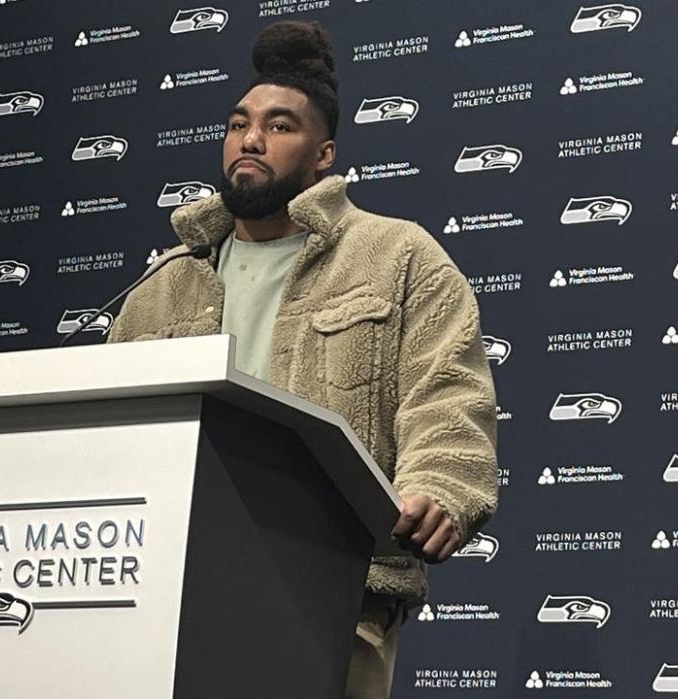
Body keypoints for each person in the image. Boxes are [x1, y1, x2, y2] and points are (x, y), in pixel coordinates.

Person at [106, 20, 498, 699]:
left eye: (279, 126)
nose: (250, 139)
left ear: (324, 154)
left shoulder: (397, 257)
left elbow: (448, 395)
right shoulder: (166, 278)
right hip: (166, 593)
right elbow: (106, 419)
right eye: (238, 123)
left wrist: (441, 485)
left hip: (334, 596)